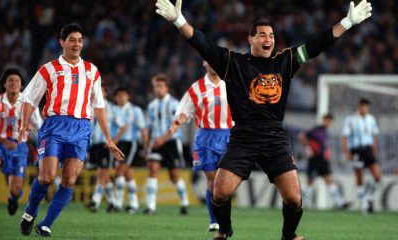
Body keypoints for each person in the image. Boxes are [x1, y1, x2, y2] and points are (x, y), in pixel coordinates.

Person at [155, 0, 372, 239]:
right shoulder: (233, 63)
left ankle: (288, 235)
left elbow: (316, 45)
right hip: (243, 137)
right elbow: (202, 44)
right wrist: (178, 20)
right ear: (251, 40)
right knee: (220, 192)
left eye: (271, 35)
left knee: (293, 197)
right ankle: (225, 231)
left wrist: (348, 21)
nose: (268, 39)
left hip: (274, 137)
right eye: (261, 35)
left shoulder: (284, 62)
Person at [18, 24, 124, 237]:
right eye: (72, 40)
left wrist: (109, 139)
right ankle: (30, 212)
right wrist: (24, 123)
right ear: (62, 42)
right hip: (54, 125)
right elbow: (30, 98)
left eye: (80, 40)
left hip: (81, 127)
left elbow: (99, 106)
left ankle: (46, 224)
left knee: (69, 180)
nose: (77, 44)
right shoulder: (49, 69)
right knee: (47, 177)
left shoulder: (92, 71)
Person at [168, 61, 233, 231]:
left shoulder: (232, 83)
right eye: (210, 60)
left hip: (229, 136)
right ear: (204, 63)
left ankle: (224, 220)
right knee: (212, 179)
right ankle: (214, 221)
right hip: (206, 136)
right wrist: (178, 121)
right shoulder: (197, 88)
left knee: (224, 183)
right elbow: (185, 111)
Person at [0, 68, 43, 216]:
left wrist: (43, 150)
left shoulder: (27, 103)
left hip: (19, 147)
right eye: (10, 80)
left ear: (21, 85)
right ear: (4, 84)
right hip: (0, 144)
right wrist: (3, 141)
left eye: (17, 80)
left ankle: (13, 198)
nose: (14, 83)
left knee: (16, 190)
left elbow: (39, 127)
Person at [145, 73, 189, 215]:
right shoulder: (151, 106)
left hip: (171, 142)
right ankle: (151, 206)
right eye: (155, 87)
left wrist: (162, 140)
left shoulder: (175, 104)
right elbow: (148, 128)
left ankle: (184, 202)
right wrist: (147, 147)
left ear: (166, 88)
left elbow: (176, 126)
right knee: (153, 170)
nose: (158, 89)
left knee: (174, 175)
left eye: (161, 86)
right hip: (156, 143)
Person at [108, 87, 148, 214]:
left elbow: (143, 129)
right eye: (118, 96)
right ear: (115, 98)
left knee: (119, 172)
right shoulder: (113, 110)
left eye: (123, 95)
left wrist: (146, 147)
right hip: (117, 144)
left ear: (128, 96)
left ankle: (117, 204)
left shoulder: (135, 110)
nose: (121, 98)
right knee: (128, 174)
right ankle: (133, 204)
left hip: (131, 143)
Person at [299, 113, 350, 209]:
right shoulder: (316, 130)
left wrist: (326, 152)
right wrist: (307, 150)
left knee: (329, 180)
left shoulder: (325, 132)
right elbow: (302, 136)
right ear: (323, 120)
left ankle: (341, 203)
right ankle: (300, 203)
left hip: (322, 160)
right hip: (315, 159)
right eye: (327, 120)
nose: (329, 122)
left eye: (330, 120)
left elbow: (321, 145)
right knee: (310, 181)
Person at [341, 98, 381, 214]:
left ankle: (366, 197)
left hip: (368, 150)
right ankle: (364, 205)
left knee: (377, 176)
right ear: (358, 107)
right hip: (356, 151)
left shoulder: (371, 119)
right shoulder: (351, 120)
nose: (364, 108)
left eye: (366, 106)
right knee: (359, 177)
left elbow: (374, 136)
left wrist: (375, 150)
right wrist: (346, 152)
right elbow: (344, 136)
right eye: (362, 106)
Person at [87, 85, 116, 213]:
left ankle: (95, 201)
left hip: (105, 144)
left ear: (104, 93)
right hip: (93, 144)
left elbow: (121, 125)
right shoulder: (88, 106)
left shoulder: (110, 107)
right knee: (104, 176)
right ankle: (113, 202)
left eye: (101, 90)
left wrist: (112, 140)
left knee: (102, 173)